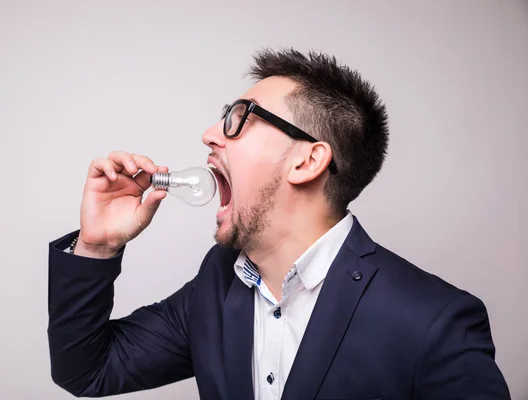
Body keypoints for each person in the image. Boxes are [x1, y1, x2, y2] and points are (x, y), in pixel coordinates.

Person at [47, 49, 510, 399]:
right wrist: (97, 247)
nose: (209, 133)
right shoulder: (216, 284)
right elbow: (88, 369)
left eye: (238, 118)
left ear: (307, 160)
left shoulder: (434, 321)